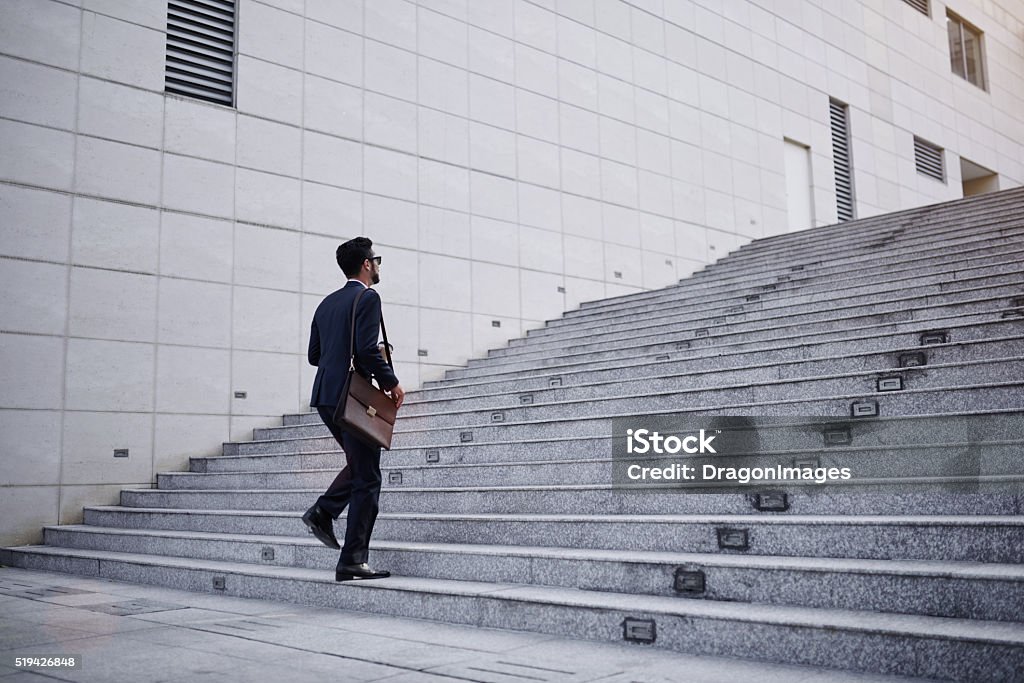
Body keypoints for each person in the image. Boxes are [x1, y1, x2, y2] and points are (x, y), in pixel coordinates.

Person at [303, 237, 405, 581]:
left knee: (360, 465)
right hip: (352, 396)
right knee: (368, 477)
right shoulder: (368, 296)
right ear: (366, 264)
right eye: (376, 260)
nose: (378, 266)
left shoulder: (326, 304)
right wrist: (390, 381)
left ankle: (325, 511)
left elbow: (314, 356)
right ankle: (352, 558)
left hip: (325, 396)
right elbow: (364, 351)